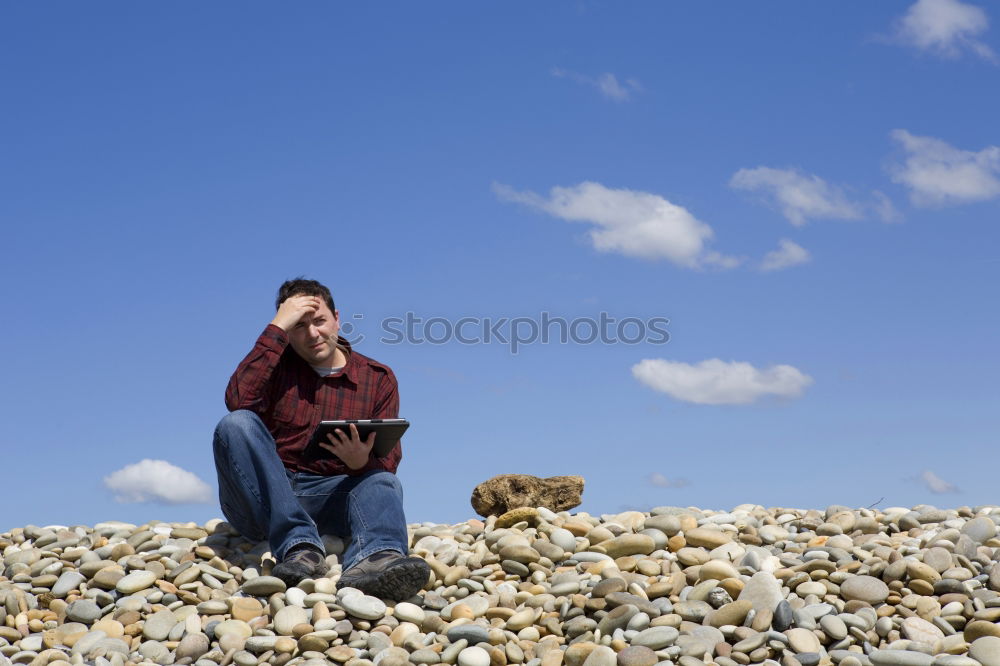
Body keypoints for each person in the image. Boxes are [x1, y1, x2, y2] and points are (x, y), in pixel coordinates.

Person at [212, 277, 430, 599]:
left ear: (337, 319)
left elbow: (388, 462)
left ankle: (376, 560)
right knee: (236, 424)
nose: (313, 334)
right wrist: (276, 328)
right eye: (298, 326)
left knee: (384, 482)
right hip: (265, 501)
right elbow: (238, 400)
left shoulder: (377, 378)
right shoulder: (275, 367)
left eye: (319, 321)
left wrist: (361, 463)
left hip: (331, 498)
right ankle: (299, 547)